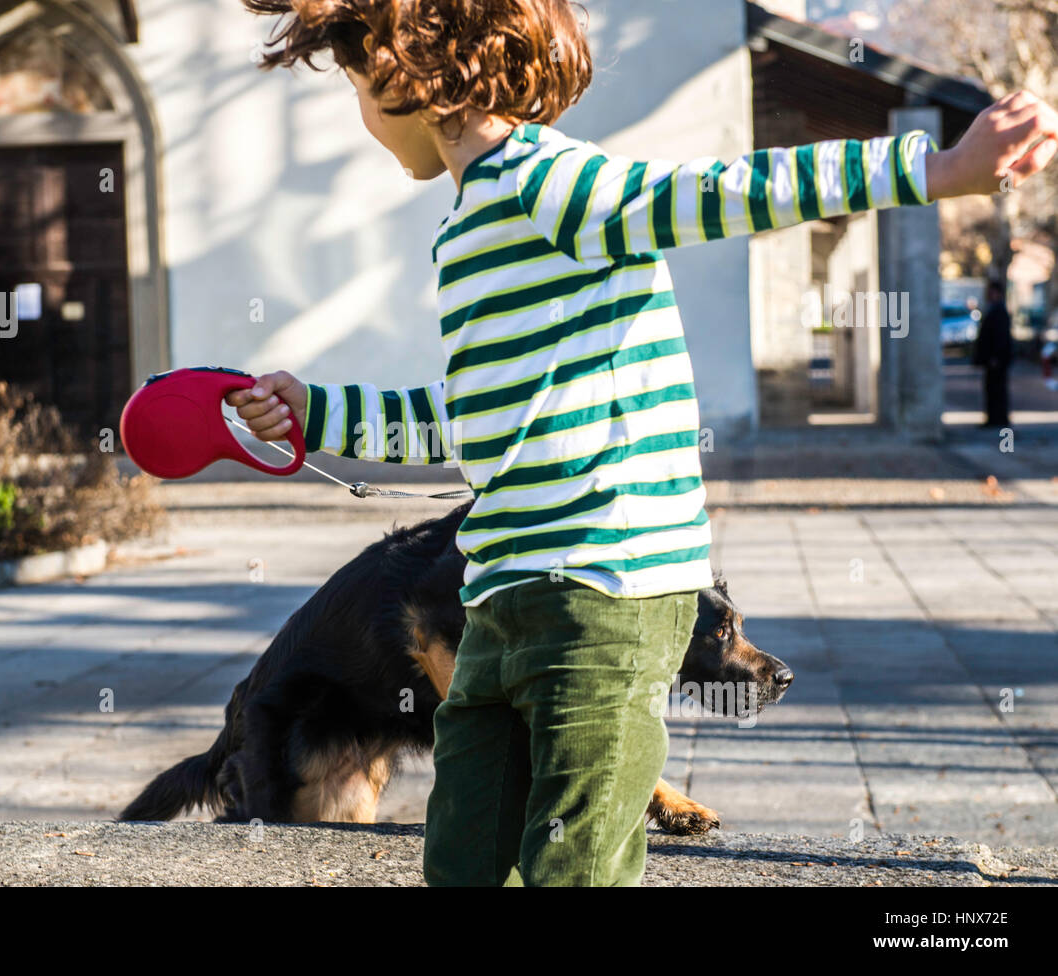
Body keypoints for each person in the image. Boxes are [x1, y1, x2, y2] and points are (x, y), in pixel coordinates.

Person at [225, 0, 1058, 885]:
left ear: (406, 75)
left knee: (575, 862)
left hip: (603, 594)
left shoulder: (548, 183)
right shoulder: (467, 227)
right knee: (466, 856)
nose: (359, 113)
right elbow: (470, 415)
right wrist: (320, 414)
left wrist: (935, 168)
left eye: (356, 85)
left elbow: (715, 191)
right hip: (503, 598)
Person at [975, 280, 1014, 427]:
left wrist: (996, 357)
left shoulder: (999, 312)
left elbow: (1000, 337)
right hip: (995, 358)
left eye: (991, 292)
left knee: (996, 389)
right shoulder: (995, 310)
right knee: (993, 389)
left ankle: (998, 419)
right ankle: (995, 418)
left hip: (997, 359)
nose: (988, 295)